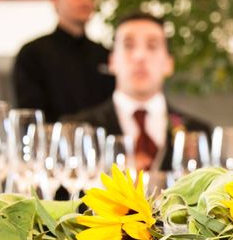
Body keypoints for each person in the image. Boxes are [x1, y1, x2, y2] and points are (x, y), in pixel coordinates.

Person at [62, 12, 209, 171]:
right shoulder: (77, 130)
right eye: (128, 45)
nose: (140, 56)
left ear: (169, 63)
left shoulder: (199, 133)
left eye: (152, 46)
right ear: (111, 61)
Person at [13, 0, 114, 123]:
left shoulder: (106, 55)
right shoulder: (33, 54)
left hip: (102, 145)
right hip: (51, 145)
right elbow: (30, 117)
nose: (86, 0)